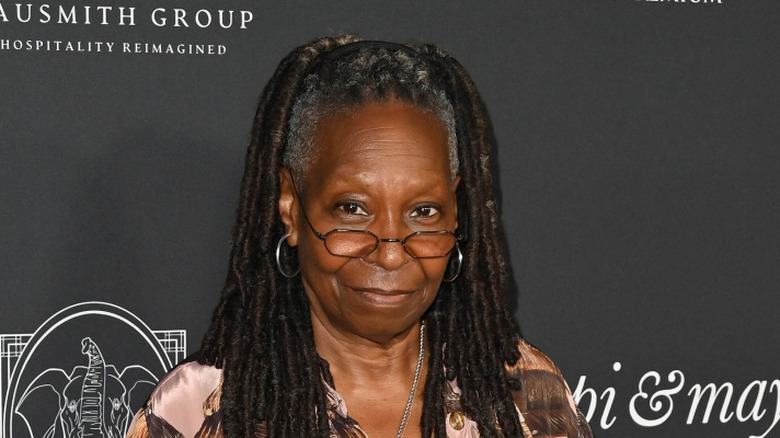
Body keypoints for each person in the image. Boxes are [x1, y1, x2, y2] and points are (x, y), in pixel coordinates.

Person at [126, 35, 593, 438]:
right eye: (352, 210)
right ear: (290, 205)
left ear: (456, 211)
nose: (391, 253)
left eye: (423, 211)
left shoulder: (526, 397)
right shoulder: (196, 413)